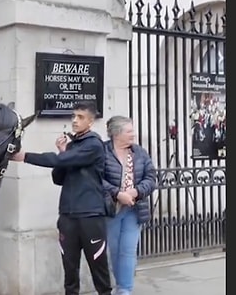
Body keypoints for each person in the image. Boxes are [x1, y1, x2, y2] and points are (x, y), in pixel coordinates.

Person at [9, 101, 112, 295]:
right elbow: (58, 178)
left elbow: (61, 161)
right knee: (70, 275)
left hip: (90, 216)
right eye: (73, 116)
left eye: (80, 117)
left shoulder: (94, 145)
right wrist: (63, 152)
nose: (74, 120)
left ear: (90, 121)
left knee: (99, 272)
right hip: (67, 217)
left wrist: (26, 156)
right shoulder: (73, 146)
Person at [102, 116, 157, 295]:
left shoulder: (139, 152)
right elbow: (96, 179)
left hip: (135, 208)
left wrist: (136, 192)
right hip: (112, 209)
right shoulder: (102, 152)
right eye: (129, 131)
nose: (133, 134)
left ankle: (124, 290)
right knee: (115, 250)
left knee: (128, 250)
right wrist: (118, 194)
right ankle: (120, 285)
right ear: (117, 134)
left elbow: (151, 177)